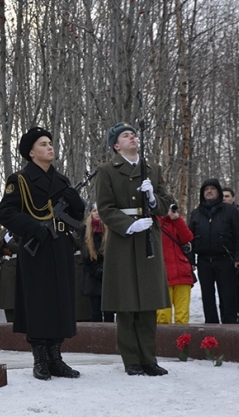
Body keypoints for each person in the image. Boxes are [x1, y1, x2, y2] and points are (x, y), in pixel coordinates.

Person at [0, 126, 84, 380]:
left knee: (60, 302)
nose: (50, 147)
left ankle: (56, 357)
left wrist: (77, 205)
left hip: (60, 246)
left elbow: (75, 217)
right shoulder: (20, 180)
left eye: (50, 142)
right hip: (36, 249)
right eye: (44, 144)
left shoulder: (62, 180)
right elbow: (6, 213)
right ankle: (40, 359)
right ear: (32, 152)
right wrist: (34, 229)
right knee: (39, 303)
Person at [96, 122, 172, 376]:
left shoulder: (152, 169)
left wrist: (153, 199)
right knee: (126, 301)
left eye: (133, 134)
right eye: (125, 136)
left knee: (148, 302)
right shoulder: (107, 171)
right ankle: (131, 360)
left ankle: (149, 358)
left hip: (148, 235)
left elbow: (166, 205)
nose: (132, 138)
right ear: (116, 145)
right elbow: (105, 209)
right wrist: (129, 225)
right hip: (124, 238)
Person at [188, 179, 239, 324]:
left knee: (228, 297)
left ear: (218, 192)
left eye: (212, 188)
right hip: (204, 261)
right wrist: (191, 260)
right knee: (207, 297)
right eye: (206, 189)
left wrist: (238, 257)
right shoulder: (196, 213)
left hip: (226, 260)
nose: (209, 191)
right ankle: (211, 329)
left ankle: (229, 330)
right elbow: (189, 239)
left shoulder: (230, 211)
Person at [157, 204, 194, 324]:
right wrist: (162, 217)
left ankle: (183, 342)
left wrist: (177, 219)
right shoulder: (154, 222)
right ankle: (162, 342)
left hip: (182, 274)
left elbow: (187, 237)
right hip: (163, 276)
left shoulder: (177, 222)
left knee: (182, 316)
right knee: (162, 316)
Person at [79, 204, 114, 323]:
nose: (97, 213)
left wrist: (105, 269)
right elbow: (85, 254)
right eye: (94, 211)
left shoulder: (109, 229)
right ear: (90, 214)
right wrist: (96, 270)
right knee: (95, 309)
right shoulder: (85, 230)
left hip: (108, 276)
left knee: (109, 310)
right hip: (92, 277)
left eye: (99, 210)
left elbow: (112, 251)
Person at [222, 187, 239, 323]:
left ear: (233, 198)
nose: (224, 199)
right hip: (223, 261)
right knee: (226, 297)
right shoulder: (217, 214)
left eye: (227, 196)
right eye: (222, 196)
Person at [0, 230, 18, 323]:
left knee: (17, 303)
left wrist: (10, 241)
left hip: (17, 268)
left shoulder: (22, 229)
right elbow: (1, 249)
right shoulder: (5, 232)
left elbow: (23, 249)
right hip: (6, 269)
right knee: (8, 304)